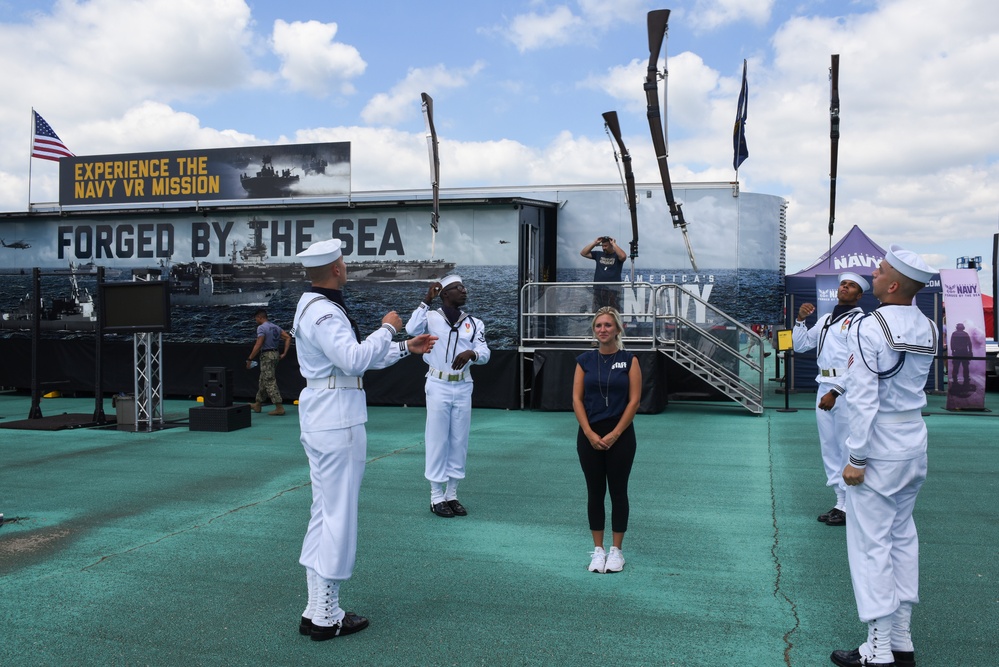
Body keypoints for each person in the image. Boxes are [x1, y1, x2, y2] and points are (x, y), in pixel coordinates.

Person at [292, 238, 436, 641]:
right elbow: (354, 359)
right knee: (339, 515)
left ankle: (314, 607)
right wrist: (389, 327)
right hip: (338, 419)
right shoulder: (325, 312)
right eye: (343, 261)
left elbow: (351, 361)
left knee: (323, 511)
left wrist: (404, 347)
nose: (346, 265)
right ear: (337, 267)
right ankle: (327, 614)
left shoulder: (310, 306)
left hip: (324, 412)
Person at [830, 245, 937, 667]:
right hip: (914, 440)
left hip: (879, 446)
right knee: (901, 537)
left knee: (870, 545)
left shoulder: (869, 325)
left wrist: (856, 456)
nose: (872, 275)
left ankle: (877, 650)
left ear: (892, 285)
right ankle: (900, 640)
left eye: (879, 271)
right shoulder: (927, 324)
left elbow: (863, 398)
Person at [405, 275, 491, 517]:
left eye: (463, 287)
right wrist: (425, 300)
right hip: (437, 383)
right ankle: (435, 496)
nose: (464, 291)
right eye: (457, 288)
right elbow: (411, 329)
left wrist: (472, 353)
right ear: (444, 294)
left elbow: (485, 352)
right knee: (437, 438)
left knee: (458, 440)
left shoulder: (474, 323)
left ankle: (452, 494)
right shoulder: (431, 318)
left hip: (463, 386)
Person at [792, 272, 869, 527]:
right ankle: (839, 502)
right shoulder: (825, 319)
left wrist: (835, 391)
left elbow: (858, 364)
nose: (845, 287)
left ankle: (851, 505)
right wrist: (800, 320)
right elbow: (801, 345)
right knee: (829, 448)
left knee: (846, 446)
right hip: (822, 385)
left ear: (859, 295)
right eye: (843, 284)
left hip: (843, 390)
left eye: (851, 286)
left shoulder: (861, 322)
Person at [572, 306, 642, 573]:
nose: (603, 330)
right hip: (589, 435)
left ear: (618, 329)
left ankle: (616, 551)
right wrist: (590, 433)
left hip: (621, 436)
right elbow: (577, 399)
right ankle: (598, 551)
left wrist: (614, 434)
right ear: (594, 330)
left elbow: (634, 401)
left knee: (618, 491)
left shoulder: (629, 359)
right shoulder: (584, 361)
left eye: (608, 326)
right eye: (598, 326)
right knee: (595, 492)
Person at [247, 309, 291, 416]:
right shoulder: (275, 327)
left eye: (256, 318)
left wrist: (250, 358)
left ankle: (279, 406)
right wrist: (284, 353)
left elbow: (259, 343)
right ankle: (258, 404)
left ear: (260, 317)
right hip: (275, 354)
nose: (256, 320)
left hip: (267, 355)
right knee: (263, 379)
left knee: (269, 380)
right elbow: (288, 337)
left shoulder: (261, 328)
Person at [580, 236, 626, 311]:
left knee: (613, 312)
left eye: (606, 246)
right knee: (597, 312)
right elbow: (583, 253)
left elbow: (623, 256)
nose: (604, 248)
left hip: (613, 290)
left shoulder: (617, 256)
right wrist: (595, 243)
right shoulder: (598, 254)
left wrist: (614, 244)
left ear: (611, 246)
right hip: (599, 289)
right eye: (602, 246)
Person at [949, 322, 972, 386]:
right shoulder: (965, 334)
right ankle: (966, 379)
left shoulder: (954, 334)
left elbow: (952, 343)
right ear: (963, 328)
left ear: (957, 328)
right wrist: (970, 351)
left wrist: (953, 351)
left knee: (956, 367)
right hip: (964, 352)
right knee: (965, 367)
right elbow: (969, 344)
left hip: (957, 352)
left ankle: (955, 379)